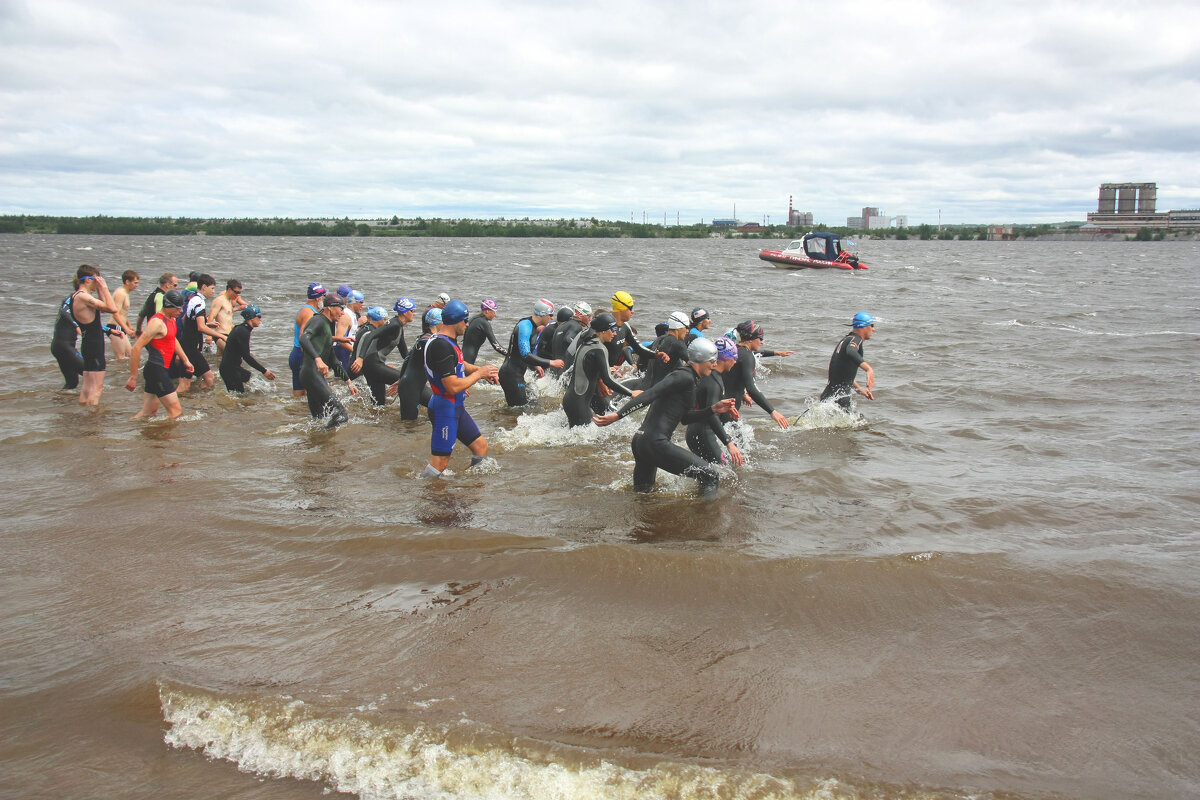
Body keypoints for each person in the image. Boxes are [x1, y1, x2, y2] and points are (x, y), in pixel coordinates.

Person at [594, 337, 737, 498]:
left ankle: (641, 523)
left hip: (642, 442)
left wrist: (713, 409)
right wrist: (618, 415)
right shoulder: (683, 376)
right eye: (712, 361)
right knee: (711, 476)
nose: (715, 365)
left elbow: (685, 418)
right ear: (700, 359)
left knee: (643, 496)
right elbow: (651, 393)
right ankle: (706, 521)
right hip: (655, 443)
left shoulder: (690, 379)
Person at [422, 299, 499, 477]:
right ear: (456, 321)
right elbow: (452, 386)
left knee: (480, 447)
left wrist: (480, 370)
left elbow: (458, 363)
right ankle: (425, 495)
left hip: (455, 407)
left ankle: (470, 488)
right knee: (440, 462)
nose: (467, 324)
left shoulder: (445, 340)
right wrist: (478, 376)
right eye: (465, 320)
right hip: (445, 408)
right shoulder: (441, 345)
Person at [125, 289, 192, 420]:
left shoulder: (171, 318)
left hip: (158, 369)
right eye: (178, 308)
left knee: (148, 412)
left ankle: (126, 433)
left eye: (181, 308)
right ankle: (169, 440)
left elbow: (172, 339)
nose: (180, 311)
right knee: (176, 412)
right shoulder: (157, 323)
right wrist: (133, 376)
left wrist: (185, 360)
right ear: (168, 306)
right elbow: (136, 347)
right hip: (156, 370)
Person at [562, 311, 637, 427]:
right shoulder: (599, 349)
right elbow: (608, 380)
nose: (615, 333)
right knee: (583, 442)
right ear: (603, 331)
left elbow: (591, 370)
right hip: (578, 402)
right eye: (612, 330)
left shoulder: (588, 341)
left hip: (573, 399)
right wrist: (631, 393)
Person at [298, 294, 357, 428]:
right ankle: (327, 442)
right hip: (311, 372)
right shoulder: (318, 320)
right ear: (330, 308)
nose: (342, 313)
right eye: (341, 308)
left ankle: (318, 443)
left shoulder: (329, 324)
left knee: (319, 417)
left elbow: (332, 358)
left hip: (312, 374)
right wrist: (318, 359)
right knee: (341, 415)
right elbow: (304, 338)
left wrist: (348, 382)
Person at [686, 336, 744, 467]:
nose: (735, 362)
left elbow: (706, 403)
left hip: (695, 432)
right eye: (734, 358)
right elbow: (711, 413)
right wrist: (728, 443)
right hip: (703, 433)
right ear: (726, 358)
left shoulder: (708, 376)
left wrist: (725, 406)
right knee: (719, 474)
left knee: (709, 473)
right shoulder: (714, 382)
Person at [721, 320, 790, 430]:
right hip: (727, 411)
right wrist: (772, 412)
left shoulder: (736, 350)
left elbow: (730, 378)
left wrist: (742, 393)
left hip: (720, 406)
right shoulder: (747, 357)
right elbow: (751, 388)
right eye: (760, 338)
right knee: (737, 445)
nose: (762, 342)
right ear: (751, 339)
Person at [497, 298, 564, 406]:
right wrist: (551, 362)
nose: (552, 318)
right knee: (519, 410)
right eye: (550, 315)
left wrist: (536, 365)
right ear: (542, 314)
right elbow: (525, 355)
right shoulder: (525, 326)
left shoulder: (533, 326)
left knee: (529, 403)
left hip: (516, 373)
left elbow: (521, 353)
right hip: (511, 374)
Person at [69, 265, 118, 407]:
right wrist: (104, 288)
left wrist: (99, 290)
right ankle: (93, 422)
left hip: (88, 342)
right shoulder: (83, 296)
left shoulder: (76, 296)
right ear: (88, 280)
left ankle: (84, 417)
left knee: (87, 388)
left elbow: (102, 309)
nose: (98, 282)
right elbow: (112, 308)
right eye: (96, 280)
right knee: (96, 388)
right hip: (94, 344)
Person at [176, 274, 226, 393]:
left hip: (187, 344)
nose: (213, 292)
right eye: (212, 288)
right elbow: (200, 327)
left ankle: (188, 402)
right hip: (190, 347)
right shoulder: (199, 302)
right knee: (208, 379)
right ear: (204, 287)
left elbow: (185, 321)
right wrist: (221, 335)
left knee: (185, 383)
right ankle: (200, 403)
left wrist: (207, 324)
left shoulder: (193, 299)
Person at [820, 311, 877, 410]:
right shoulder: (855, 339)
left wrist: (859, 389)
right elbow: (851, 351)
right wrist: (869, 369)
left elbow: (842, 373)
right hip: (840, 399)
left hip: (830, 396)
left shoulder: (847, 339)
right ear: (864, 326)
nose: (873, 329)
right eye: (871, 325)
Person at [351, 306, 404, 405]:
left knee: (377, 403)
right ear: (378, 319)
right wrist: (360, 360)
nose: (386, 322)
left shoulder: (367, 328)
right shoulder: (369, 332)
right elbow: (361, 351)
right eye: (384, 319)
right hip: (358, 369)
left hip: (362, 367)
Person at [219, 305, 275, 393]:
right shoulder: (243, 331)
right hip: (230, 370)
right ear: (252, 318)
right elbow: (247, 357)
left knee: (259, 384)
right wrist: (264, 371)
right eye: (259, 316)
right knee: (238, 398)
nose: (260, 319)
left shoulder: (242, 328)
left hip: (233, 368)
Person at [397, 307, 440, 420]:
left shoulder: (424, 337)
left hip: (415, 386)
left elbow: (407, 359)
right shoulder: (428, 341)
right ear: (439, 322)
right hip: (410, 388)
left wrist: (400, 379)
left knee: (439, 407)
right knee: (409, 425)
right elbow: (438, 367)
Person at [633, 310, 689, 390]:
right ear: (678, 327)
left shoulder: (659, 339)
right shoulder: (678, 344)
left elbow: (644, 353)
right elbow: (695, 365)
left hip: (643, 387)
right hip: (658, 392)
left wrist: (639, 369)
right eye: (686, 327)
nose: (688, 331)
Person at [290, 283, 326, 398]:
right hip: (302, 356)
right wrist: (314, 359)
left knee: (299, 393)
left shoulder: (305, 309)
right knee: (323, 390)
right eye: (324, 296)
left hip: (296, 355)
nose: (324, 300)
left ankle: (296, 413)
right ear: (318, 298)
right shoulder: (309, 313)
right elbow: (303, 337)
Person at [607, 290, 657, 368]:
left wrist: (656, 355)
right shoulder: (605, 326)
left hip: (609, 373)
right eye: (630, 308)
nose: (633, 311)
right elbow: (593, 352)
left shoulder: (625, 326)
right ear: (621, 308)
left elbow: (638, 348)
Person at [50, 288, 84, 390]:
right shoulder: (72, 298)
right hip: (64, 347)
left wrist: (109, 330)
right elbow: (64, 311)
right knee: (91, 371)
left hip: (59, 346)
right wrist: (76, 325)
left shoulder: (79, 302)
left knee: (72, 383)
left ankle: (60, 403)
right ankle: (90, 401)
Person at [460, 298, 507, 365]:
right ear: (487, 311)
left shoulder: (475, 318)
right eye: (494, 312)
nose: (495, 315)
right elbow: (496, 346)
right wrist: (510, 355)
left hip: (463, 357)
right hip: (467, 362)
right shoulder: (484, 323)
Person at [109, 270, 139, 359]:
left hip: (121, 327)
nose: (137, 285)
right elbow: (115, 313)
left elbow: (123, 313)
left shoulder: (125, 293)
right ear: (127, 282)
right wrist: (127, 329)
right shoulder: (120, 293)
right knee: (120, 357)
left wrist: (129, 325)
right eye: (135, 283)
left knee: (130, 354)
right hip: (115, 327)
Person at [209, 279, 246, 353]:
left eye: (239, 292)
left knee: (220, 358)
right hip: (220, 334)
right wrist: (209, 336)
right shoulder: (219, 300)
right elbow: (210, 318)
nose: (237, 295)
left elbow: (227, 317)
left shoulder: (229, 301)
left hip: (228, 335)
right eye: (236, 292)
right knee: (232, 355)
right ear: (229, 289)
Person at [553, 301, 591, 370]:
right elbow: (568, 339)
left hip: (555, 364)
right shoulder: (576, 326)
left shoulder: (564, 324)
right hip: (563, 366)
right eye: (589, 316)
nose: (590, 319)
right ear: (580, 316)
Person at [536, 306, 573, 376]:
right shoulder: (551, 330)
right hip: (542, 359)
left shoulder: (556, 326)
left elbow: (539, 329)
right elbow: (541, 351)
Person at [334, 289, 365, 373]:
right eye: (361, 302)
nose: (363, 305)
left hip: (347, 351)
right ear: (354, 302)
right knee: (341, 379)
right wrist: (355, 352)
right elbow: (339, 339)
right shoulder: (345, 316)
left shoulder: (352, 314)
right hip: (340, 351)